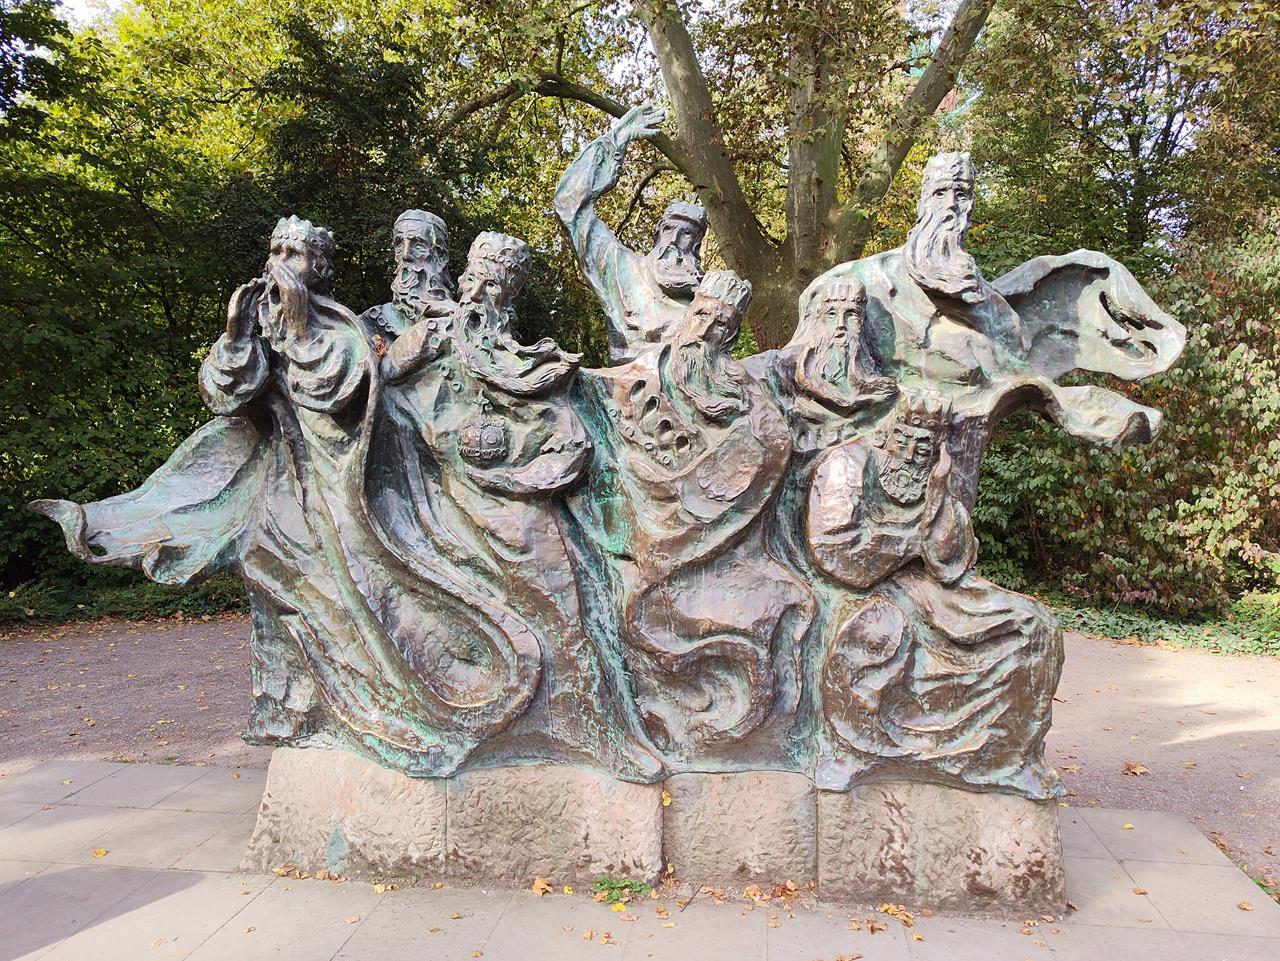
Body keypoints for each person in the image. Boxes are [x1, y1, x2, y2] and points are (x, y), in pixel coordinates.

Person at [554, 103, 708, 363]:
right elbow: (570, 208)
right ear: (658, 233)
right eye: (669, 229)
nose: (673, 240)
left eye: (686, 234)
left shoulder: (707, 297)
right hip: (629, 381)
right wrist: (616, 140)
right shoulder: (622, 269)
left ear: (696, 245)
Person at [357, 208, 455, 352]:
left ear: (441, 257)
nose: (405, 254)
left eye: (418, 245)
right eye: (399, 245)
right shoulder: (368, 324)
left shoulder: (465, 320)